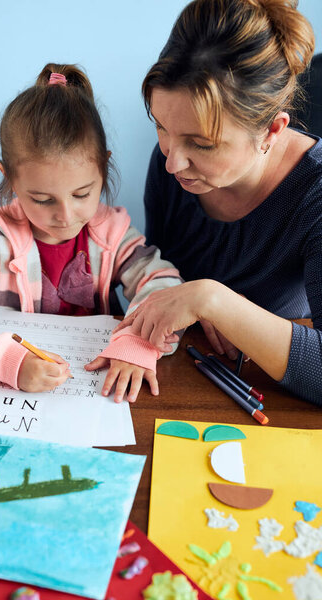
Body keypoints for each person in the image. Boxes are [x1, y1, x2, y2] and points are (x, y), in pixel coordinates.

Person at [0, 63, 181, 401]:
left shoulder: (113, 234)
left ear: (104, 167)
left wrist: (136, 343)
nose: (65, 215)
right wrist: (4, 360)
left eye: (82, 194)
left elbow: (166, 290)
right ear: (10, 179)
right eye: (42, 199)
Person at [115, 0, 322, 404]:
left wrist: (212, 300)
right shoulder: (174, 162)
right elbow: (162, 275)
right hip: (185, 377)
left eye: (202, 144)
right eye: (161, 126)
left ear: (272, 131)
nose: (172, 160)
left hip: (265, 398)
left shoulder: (315, 194)